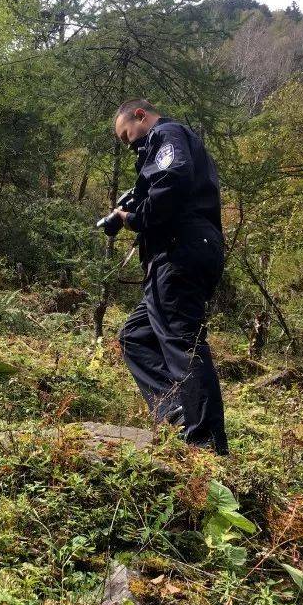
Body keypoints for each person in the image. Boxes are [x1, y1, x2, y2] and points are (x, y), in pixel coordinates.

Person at [107, 99, 228, 455]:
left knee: (181, 342)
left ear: (140, 116)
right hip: (183, 252)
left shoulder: (167, 133)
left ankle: (205, 445)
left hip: (179, 252)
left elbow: (172, 178)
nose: (130, 145)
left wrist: (135, 217)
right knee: (135, 337)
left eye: (128, 136)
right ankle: (177, 413)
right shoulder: (169, 142)